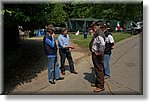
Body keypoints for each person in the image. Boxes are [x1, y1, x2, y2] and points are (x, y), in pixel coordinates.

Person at [89, 22, 105, 93]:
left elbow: (103, 44)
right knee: (97, 68)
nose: (92, 30)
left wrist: (99, 52)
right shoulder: (98, 32)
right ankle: (97, 83)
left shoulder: (99, 33)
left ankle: (101, 86)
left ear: (94, 27)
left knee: (99, 69)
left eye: (92, 28)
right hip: (96, 53)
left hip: (97, 54)